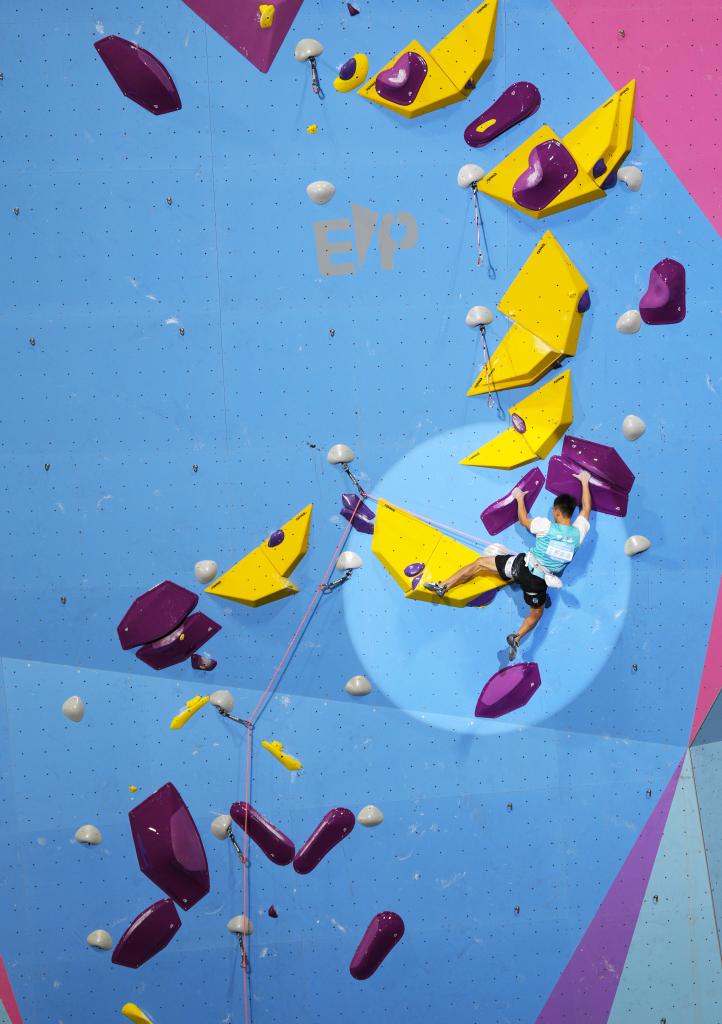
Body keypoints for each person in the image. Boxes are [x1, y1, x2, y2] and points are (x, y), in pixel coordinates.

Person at [424, 471, 593, 660]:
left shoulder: (546, 526)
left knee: (480, 564)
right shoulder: (578, 534)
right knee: (536, 613)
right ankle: (516, 637)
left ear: (556, 512)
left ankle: (443, 586)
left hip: (520, 567)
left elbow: (524, 520)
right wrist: (585, 482)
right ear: (571, 513)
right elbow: (586, 508)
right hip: (538, 583)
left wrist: (519, 498)